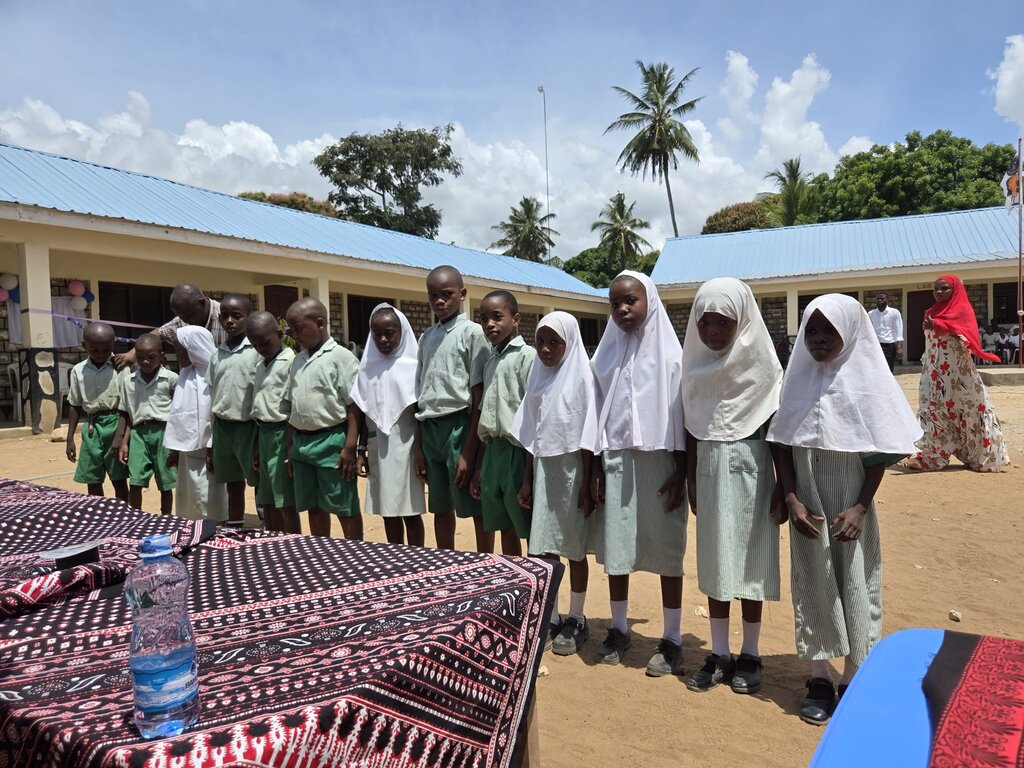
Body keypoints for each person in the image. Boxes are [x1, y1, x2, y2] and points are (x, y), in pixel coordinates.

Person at [767, 294, 921, 726]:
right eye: (811, 331)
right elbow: (780, 442)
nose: (817, 340)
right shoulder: (795, 379)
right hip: (808, 506)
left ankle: (854, 675)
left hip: (850, 506)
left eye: (828, 331)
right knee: (813, 581)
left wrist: (859, 508)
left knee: (855, 582)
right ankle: (819, 676)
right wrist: (792, 497)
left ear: (851, 332)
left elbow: (876, 455)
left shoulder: (865, 381)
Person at [681, 278, 784, 695]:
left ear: (742, 319)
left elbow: (778, 429)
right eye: (703, 324)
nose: (712, 333)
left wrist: (783, 486)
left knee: (751, 563)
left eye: (722, 322)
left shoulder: (764, 367)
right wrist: (690, 478)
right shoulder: (694, 366)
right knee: (716, 562)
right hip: (708, 470)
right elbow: (690, 425)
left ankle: (751, 653)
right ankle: (719, 652)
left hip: (754, 470)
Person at [590, 270, 688, 677]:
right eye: (615, 304)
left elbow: (683, 417)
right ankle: (618, 627)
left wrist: (682, 470)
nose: (622, 309)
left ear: (650, 301)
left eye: (630, 301)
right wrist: (596, 467)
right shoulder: (605, 356)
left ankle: (672, 637)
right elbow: (594, 414)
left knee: (667, 550)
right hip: (616, 459)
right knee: (616, 549)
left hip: (661, 463)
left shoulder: (672, 355)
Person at [510, 311, 599, 657]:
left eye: (554, 343)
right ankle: (552, 614)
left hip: (574, 471)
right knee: (545, 548)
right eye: (540, 342)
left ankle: (577, 617)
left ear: (570, 343)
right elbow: (531, 435)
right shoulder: (538, 377)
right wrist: (528, 480)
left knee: (574, 547)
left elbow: (590, 436)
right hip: (545, 469)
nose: (545, 349)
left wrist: (588, 481)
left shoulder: (583, 379)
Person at [413, 265, 491, 552]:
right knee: (440, 505)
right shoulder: (426, 337)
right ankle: (447, 560)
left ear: (462, 294)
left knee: (472, 498)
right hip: (431, 427)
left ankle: (484, 563)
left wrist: (469, 451)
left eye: (447, 294)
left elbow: (478, 392)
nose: (439, 301)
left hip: (460, 425)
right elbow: (422, 393)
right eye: (433, 295)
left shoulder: (473, 334)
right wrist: (419, 446)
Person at [903, 275, 1011, 473]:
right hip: (934, 373)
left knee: (969, 409)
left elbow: (966, 335)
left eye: (944, 288)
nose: (939, 293)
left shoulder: (962, 310)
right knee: (933, 409)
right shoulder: (930, 312)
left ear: (955, 290)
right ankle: (932, 457)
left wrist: (940, 326)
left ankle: (979, 457)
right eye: (935, 289)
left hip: (959, 374)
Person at [286, 297, 362, 539]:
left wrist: (350, 446)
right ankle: (322, 551)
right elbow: (293, 407)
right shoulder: (297, 360)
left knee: (343, 504)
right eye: (291, 330)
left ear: (320, 323)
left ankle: (355, 554)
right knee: (314, 505)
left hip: (332, 441)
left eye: (299, 329)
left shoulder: (341, 357)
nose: (295, 335)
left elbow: (354, 407)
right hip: (302, 444)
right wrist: (291, 445)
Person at [351, 304, 426, 546]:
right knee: (386, 507)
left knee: (409, 508)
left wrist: (420, 451)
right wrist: (361, 450)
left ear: (402, 332)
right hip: (377, 443)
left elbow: (421, 413)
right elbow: (364, 409)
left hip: (407, 443)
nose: (383, 339)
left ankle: (416, 556)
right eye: (377, 334)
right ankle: (394, 554)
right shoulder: (368, 365)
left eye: (390, 333)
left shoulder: (413, 365)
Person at [470, 290, 536, 556]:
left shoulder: (527, 357)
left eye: (497, 317)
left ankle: (537, 586)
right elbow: (487, 415)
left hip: (516, 452)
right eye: (484, 319)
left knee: (527, 525)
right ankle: (516, 585)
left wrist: (529, 474)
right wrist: (480, 467)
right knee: (504, 525)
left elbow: (533, 415)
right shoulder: (490, 360)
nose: (489, 325)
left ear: (516, 319)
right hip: (493, 452)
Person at [206, 294, 261, 528]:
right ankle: (236, 524)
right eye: (225, 316)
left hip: (250, 427)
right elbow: (212, 392)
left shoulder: (257, 352)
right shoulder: (217, 353)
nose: (230, 321)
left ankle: (267, 524)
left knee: (260, 479)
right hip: (223, 426)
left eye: (236, 316)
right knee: (232, 480)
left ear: (248, 319)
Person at [163, 326, 227, 521]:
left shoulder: (212, 376)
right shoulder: (185, 374)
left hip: (208, 452)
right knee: (189, 496)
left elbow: (214, 416)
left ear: (194, 348)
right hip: (186, 451)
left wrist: (210, 447)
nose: (177, 354)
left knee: (209, 496)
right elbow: (178, 415)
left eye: (181, 350)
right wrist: (175, 449)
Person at [247, 311, 299, 534]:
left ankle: (292, 544)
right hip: (264, 433)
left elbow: (294, 406)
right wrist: (258, 445)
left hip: (282, 433)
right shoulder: (261, 365)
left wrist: (289, 443)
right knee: (266, 498)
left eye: (265, 343)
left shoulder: (291, 363)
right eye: (255, 345)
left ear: (279, 334)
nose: (261, 348)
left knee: (284, 499)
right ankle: (272, 541)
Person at [66, 322, 130, 501]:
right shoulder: (78, 371)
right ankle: (98, 516)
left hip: (117, 423)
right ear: (84, 345)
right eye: (95, 350)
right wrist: (70, 438)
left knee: (119, 478)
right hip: (92, 427)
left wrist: (120, 435)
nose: (101, 354)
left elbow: (127, 404)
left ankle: (124, 517)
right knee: (92, 478)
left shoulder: (121, 367)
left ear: (113, 345)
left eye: (106, 350)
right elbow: (75, 404)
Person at [116, 333, 177, 515]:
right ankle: (136, 517)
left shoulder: (172, 379)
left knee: (165, 481)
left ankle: (165, 518)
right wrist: (124, 442)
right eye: (140, 357)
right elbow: (126, 412)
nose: (145, 362)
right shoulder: (129, 381)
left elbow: (179, 412)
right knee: (135, 480)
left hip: (164, 433)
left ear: (161, 355)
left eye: (151, 357)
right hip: (138, 434)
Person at [114, 284, 224, 369]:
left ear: (202, 303)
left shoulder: (226, 316)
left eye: (189, 316)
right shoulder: (183, 319)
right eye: (181, 317)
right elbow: (158, 334)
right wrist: (131, 354)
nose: (185, 321)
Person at [867, 292, 903, 372]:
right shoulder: (871, 314)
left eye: (882, 299)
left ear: (887, 300)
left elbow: (898, 329)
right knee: (876, 368)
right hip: (876, 345)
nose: (880, 300)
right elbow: (868, 330)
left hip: (889, 345)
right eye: (878, 299)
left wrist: (899, 347)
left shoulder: (894, 312)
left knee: (888, 369)